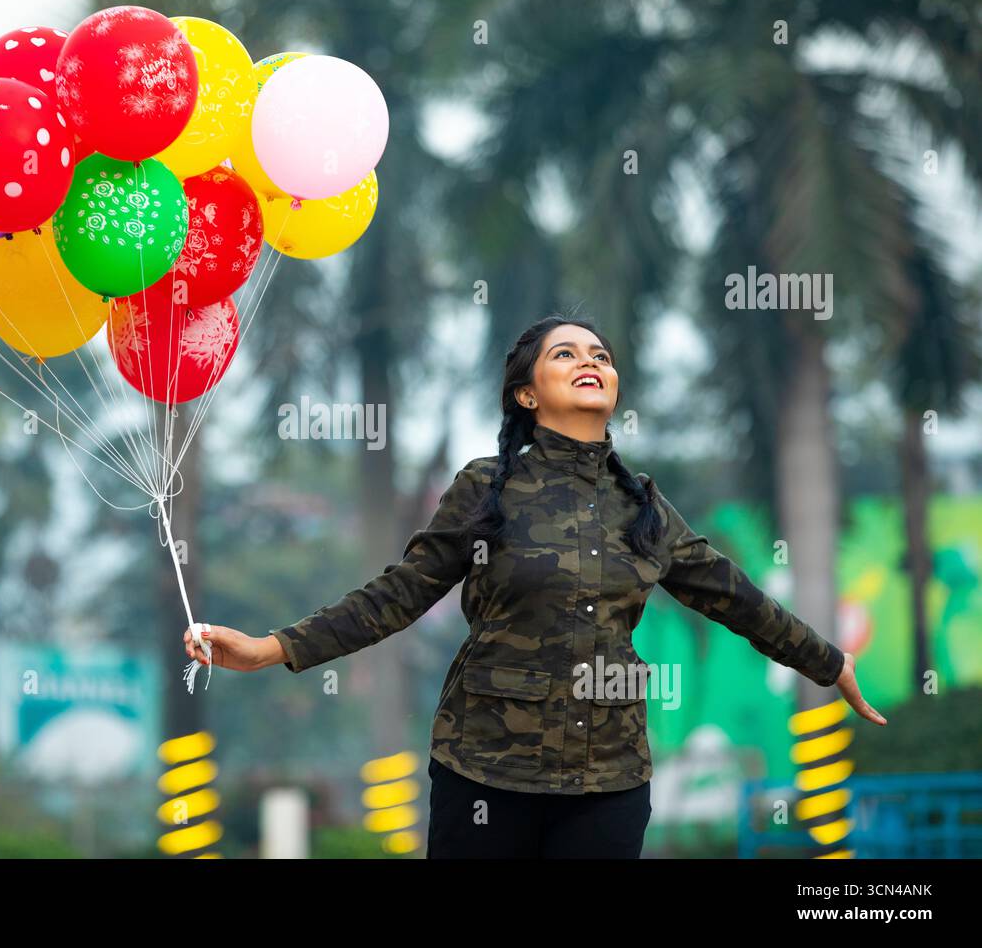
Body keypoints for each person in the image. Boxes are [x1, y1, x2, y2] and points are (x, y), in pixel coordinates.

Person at [184, 315, 886, 858]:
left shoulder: (644, 507)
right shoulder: (486, 488)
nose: (591, 362)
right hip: (484, 769)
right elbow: (397, 594)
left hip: (609, 776)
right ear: (528, 392)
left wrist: (829, 661)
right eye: (567, 354)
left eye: (601, 356)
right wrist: (271, 648)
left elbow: (737, 599)